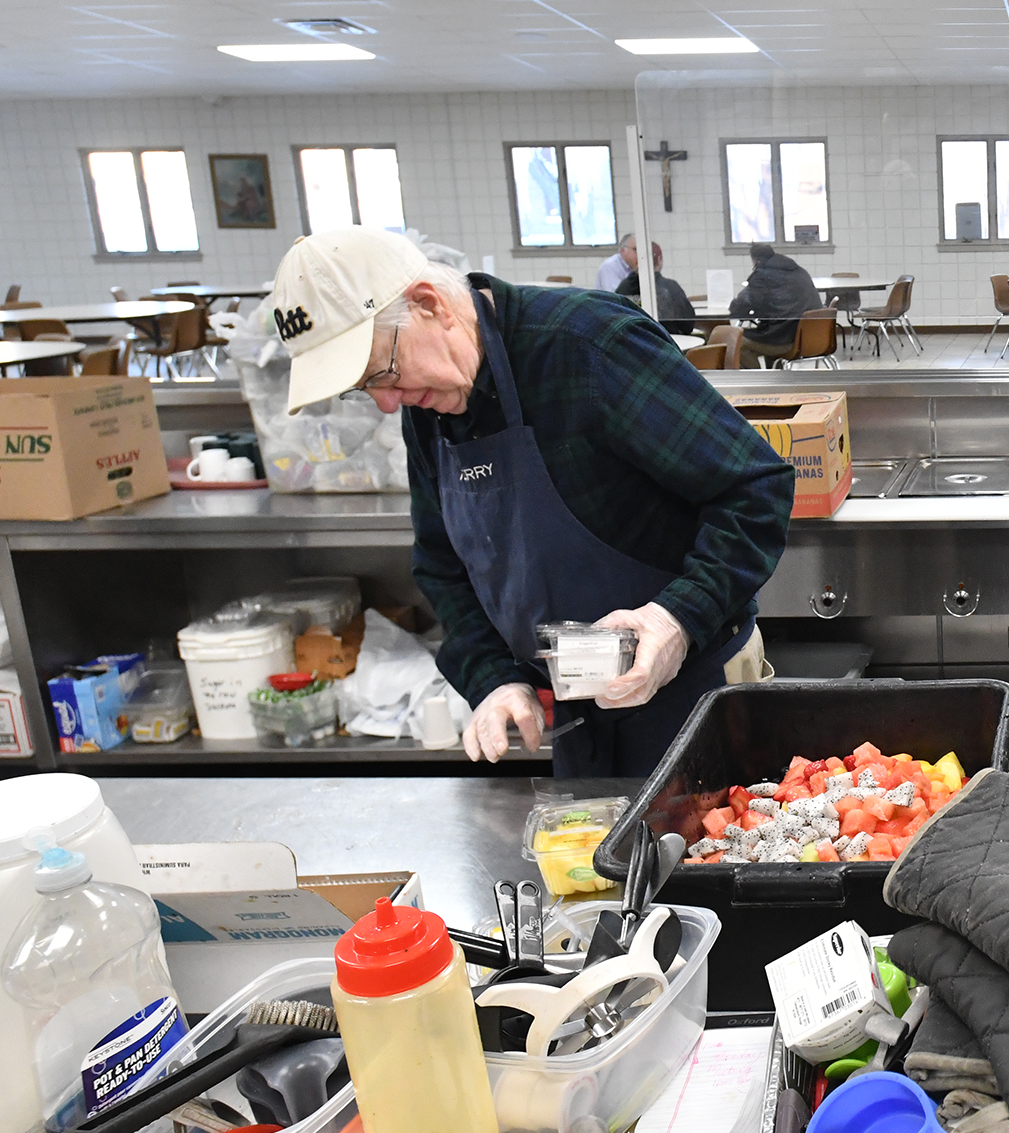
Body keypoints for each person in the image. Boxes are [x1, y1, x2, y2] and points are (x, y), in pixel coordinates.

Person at [268, 226, 793, 775]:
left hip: (699, 695)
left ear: (429, 305)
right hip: (578, 720)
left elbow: (755, 488)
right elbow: (443, 566)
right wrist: (492, 678)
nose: (384, 403)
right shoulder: (426, 405)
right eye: (363, 387)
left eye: (383, 372)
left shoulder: (591, 346)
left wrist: (676, 620)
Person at [730, 243, 821, 352]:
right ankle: (774, 368)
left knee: (735, 339)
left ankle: (759, 369)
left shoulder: (761, 277)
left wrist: (733, 308)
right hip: (811, 337)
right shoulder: (800, 271)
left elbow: (743, 303)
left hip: (784, 339)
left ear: (756, 260)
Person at [615, 241, 697, 336]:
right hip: (665, 345)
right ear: (659, 259)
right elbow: (687, 325)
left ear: (637, 261)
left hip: (631, 344)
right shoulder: (670, 287)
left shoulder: (623, 287)